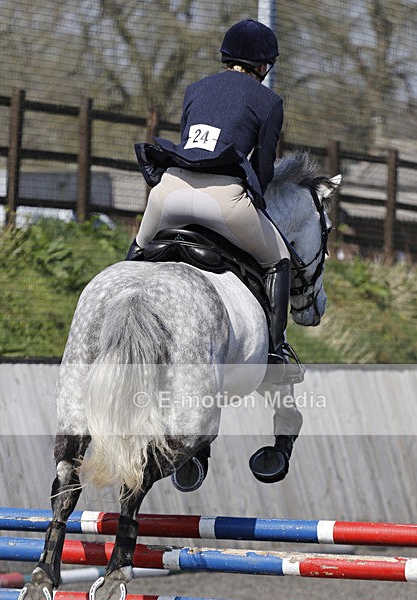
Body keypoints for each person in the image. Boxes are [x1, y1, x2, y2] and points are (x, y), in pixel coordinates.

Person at [128, 18, 303, 380]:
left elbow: (192, 146)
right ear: (263, 65)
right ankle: (274, 353)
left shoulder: (195, 88)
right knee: (280, 259)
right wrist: (255, 202)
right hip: (225, 201)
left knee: (137, 252)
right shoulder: (270, 101)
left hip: (169, 191)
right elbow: (264, 168)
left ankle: (118, 313)